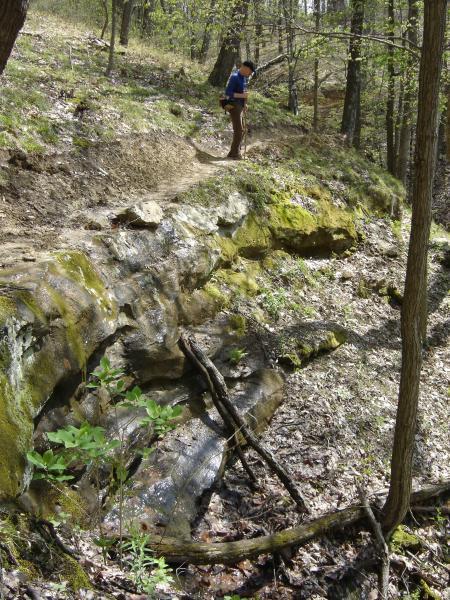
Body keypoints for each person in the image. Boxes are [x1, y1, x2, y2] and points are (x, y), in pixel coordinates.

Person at [223, 60, 255, 159]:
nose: (250, 74)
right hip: (234, 106)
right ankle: (235, 153)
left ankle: (233, 152)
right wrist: (242, 96)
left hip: (240, 106)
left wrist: (245, 104)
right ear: (245, 68)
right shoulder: (235, 77)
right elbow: (228, 93)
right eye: (250, 71)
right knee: (239, 130)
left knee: (241, 130)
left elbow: (243, 92)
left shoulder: (244, 78)